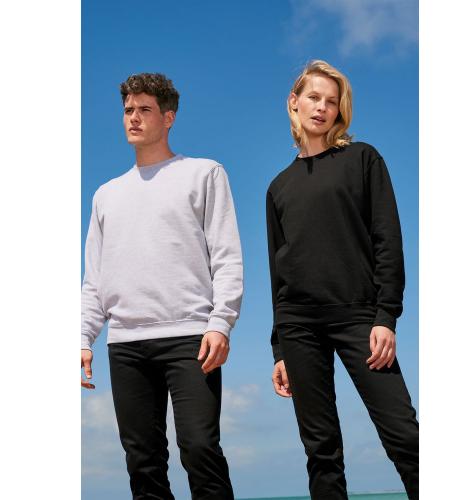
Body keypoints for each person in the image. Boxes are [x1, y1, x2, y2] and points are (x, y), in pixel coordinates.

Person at [81, 73, 243, 500]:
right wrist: (82, 337)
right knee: (143, 462)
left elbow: (226, 255)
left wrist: (221, 323)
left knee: (200, 449)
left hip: (191, 337)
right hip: (126, 343)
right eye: (128, 110)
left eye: (144, 110)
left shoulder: (204, 173)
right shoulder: (105, 195)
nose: (133, 118)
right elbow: (94, 278)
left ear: (168, 117)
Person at [266, 60, 419, 499]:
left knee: (403, 434)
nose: (322, 107)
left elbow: (387, 239)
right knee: (321, 450)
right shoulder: (278, 187)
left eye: (331, 102)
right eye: (313, 97)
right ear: (294, 103)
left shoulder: (363, 159)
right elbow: (277, 272)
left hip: (359, 317)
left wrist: (386, 316)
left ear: (340, 111)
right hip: (299, 325)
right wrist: (279, 348)